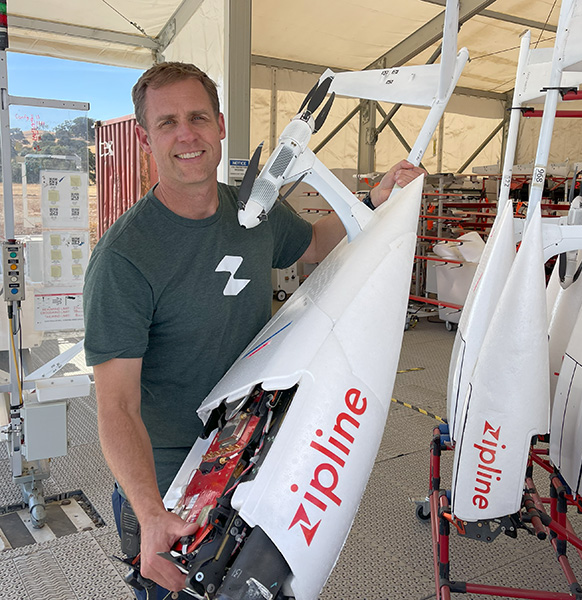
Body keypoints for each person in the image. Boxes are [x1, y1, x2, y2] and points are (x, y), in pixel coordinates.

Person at [83, 61, 423, 598]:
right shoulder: (125, 258)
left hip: (253, 450)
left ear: (220, 125)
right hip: (172, 481)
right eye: (167, 123)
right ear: (146, 139)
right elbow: (115, 407)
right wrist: (150, 512)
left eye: (198, 117)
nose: (186, 134)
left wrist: (374, 202)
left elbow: (314, 243)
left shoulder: (253, 207)